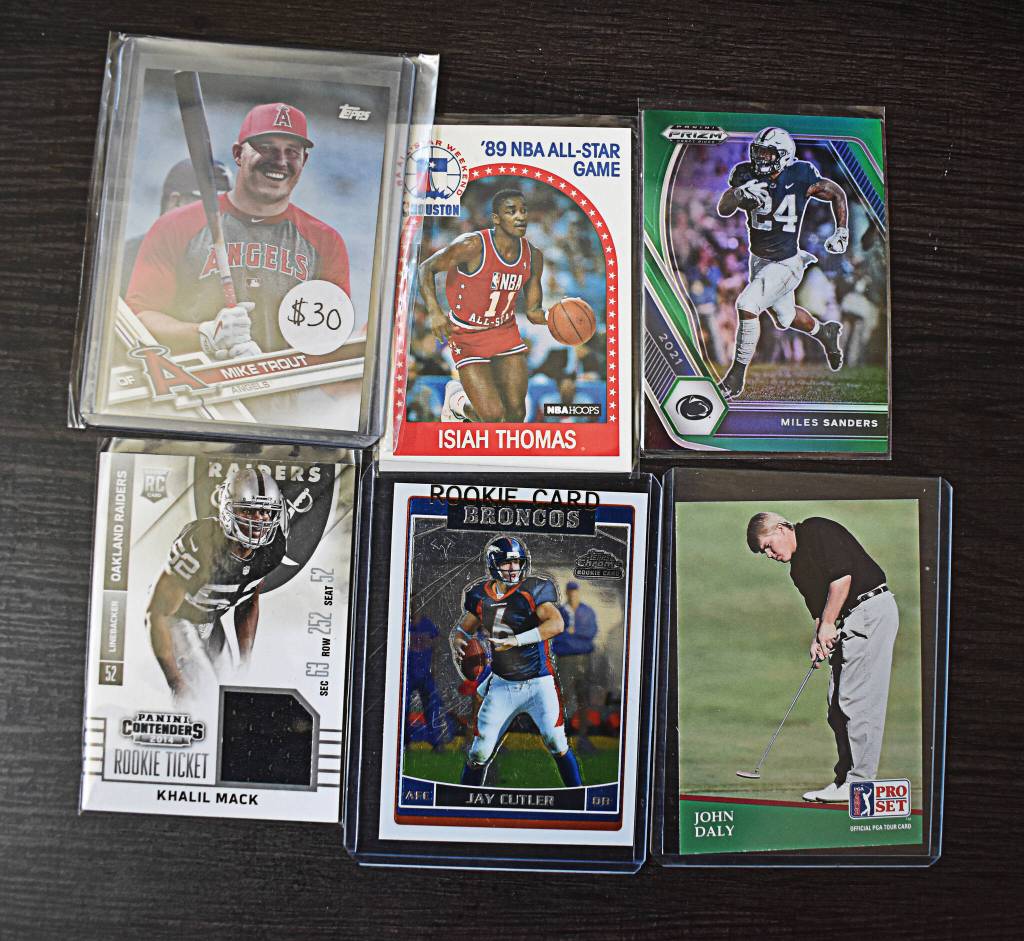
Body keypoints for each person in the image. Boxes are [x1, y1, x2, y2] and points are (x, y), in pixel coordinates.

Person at [126, 102, 350, 360]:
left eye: (292, 152)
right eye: (266, 148)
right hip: (194, 381)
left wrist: (270, 365)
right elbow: (138, 318)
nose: (280, 161)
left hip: (282, 384)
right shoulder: (175, 226)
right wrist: (204, 335)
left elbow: (329, 341)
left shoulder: (325, 242)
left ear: (304, 160)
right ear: (237, 154)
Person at [746, 511, 900, 802]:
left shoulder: (816, 530)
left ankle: (860, 784)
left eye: (767, 546)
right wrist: (818, 638)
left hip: (870, 611)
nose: (769, 554)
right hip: (850, 619)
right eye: (763, 552)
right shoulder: (797, 571)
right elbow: (820, 610)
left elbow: (842, 578)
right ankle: (844, 781)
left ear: (781, 529)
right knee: (836, 704)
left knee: (856, 700)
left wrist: (828, 625)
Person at [716, 127, 849, 399]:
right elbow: (724, 208)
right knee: (785, 318)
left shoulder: (800, 174)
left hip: (786, 263)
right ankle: (825, 332)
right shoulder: (746, 174)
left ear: (784, 155)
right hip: (758, 261)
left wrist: (842, 230)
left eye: (768, 154)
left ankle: (736, 377)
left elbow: (836, 192)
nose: (761, 159)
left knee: (747, 304)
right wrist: (739, 194)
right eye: (758, 152)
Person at [449, 536, 583, 788]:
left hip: (538, 681)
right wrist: (458, 641)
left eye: (517, 562)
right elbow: (464, 629)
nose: (513, 568)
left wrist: (517, 640)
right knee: (479, 752)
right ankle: (465, 800)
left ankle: (576, 795)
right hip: (502, 683)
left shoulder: (531, 590)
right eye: (507, 563)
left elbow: (557, 624)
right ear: (493, 564)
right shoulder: (480, 595)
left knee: (556, 741)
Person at [147, 467, 288, 701]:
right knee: (200, 691)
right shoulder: (202, 543)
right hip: (178, 615)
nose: (259, 520)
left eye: (265, 512)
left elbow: (248, 602)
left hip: (209, 619)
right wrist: (176, 682)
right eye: (248, 510)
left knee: (228, 683)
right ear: (227, 509)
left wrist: (245, 660)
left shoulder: (271, 549)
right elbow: (158, 614)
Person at [418, 189, 548, 423]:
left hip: (504, 331)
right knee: (492, 416)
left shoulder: (534, 256)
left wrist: (555, 317)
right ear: (496, 218)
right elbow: (425, 268)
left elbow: (533, 311)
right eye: (511, 211)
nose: (520, 216)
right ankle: (456, 400)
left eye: (523, 211)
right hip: (467, 333)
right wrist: (435, 311)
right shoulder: (472, 245)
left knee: (516, 414)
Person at [120, 159, 232, 297]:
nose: (218, 218)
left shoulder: (227, 266)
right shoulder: (124, 261)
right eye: (209, 206)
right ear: (175, 203)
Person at [553, 581, 607, 752]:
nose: (573, 594)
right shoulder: (560, 612)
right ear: (567, 593)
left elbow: (590, 632)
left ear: (578, 592)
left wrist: (572, 634)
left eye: (575, 591)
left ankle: (583, 738)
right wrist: (574, 638)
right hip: (565, 661)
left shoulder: (587, 611)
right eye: (570, 591)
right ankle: (558, 739)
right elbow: (557, 635)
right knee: (562, 697)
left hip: (584, 660)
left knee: (583, 697)